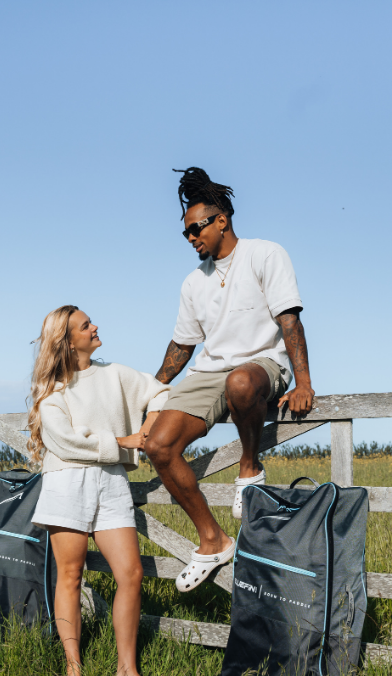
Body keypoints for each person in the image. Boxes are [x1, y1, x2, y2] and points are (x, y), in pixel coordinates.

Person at [144, 167, 316, 593]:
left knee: (240, 382)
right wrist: (150, 390)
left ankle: (249, 468)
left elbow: (289, 320)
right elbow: (183, 346)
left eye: (196, 228)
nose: (190, 238)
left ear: (221, 220)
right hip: (210, 372)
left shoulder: (265, 254)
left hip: (262, 366)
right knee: (158, 445)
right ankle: (213, 540)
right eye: (185, 233)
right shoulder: (193, 282)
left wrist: (304, 383)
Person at [27, 305, 168, 676]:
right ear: (68, 341)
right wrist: (124, 441)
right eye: (85, 325)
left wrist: (147, 432)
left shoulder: (116, 374)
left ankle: (127, 673)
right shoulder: (52, 391)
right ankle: (74, 671)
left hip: (111, 481)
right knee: (70, 575)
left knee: (131, 574)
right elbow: (64, 442)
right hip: (66, 482)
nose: (95, 327)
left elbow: (161, 392)